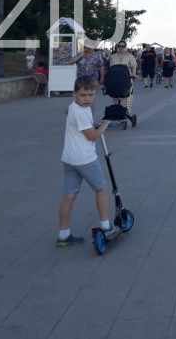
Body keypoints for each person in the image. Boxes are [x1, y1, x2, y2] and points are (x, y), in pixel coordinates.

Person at [56, 76, 121, 247]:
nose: (87, 99)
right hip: (84, 159)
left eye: (91, 95)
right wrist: (105, 125)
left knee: (69, 195)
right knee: (100, 189)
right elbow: (92, 135)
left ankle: (63, 234)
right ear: (75, 94)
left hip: (69, 159)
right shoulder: (80, 112)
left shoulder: (73, 107)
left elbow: (67, 111)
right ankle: (106, 226)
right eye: (83, 95)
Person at [107, 40, 137, 117]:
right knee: (115, 95)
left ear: (125, 47)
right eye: (119, 46)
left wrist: (133, 74)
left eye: (123, 46)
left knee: (127, 95)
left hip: (126, 78)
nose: (121, 48)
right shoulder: (113, 56)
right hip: (115, 78)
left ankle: (127, 111)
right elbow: (110, 67)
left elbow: (134, 66)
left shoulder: (130, 56)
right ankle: (116, 110)